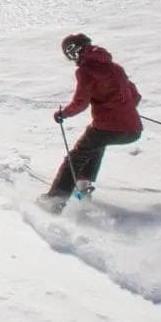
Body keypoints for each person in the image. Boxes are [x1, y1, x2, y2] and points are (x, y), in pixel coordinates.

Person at [41, 33, 143, 209]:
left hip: (109, 126)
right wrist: (123, 107)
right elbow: (135, 96)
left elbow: (81, 102)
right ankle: (82, 187)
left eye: (70, 54)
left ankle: (54, 201)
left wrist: (63, 114)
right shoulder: (115, 67)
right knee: (94, 145)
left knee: (75, 157)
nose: (71, 59)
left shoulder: (86, 70)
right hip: (133, 130)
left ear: (76, 50)